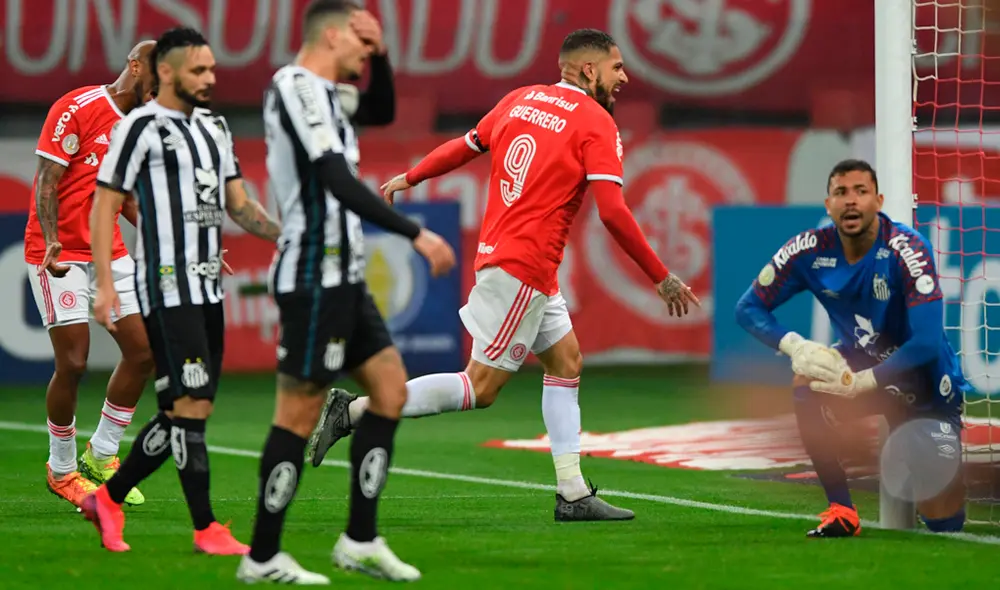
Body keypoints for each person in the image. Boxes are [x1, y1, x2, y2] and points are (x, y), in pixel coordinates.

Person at [307, 28, 699, 522]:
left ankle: (573, 493)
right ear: (589, 70)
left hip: (516, 260)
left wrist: (414, 175)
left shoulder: (520, 99)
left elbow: (464, 145)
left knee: (566, 361)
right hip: (524, 266)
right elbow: (614, 213)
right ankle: (356, 410)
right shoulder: (595, 122)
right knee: (480, 388)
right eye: (617, 68)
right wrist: (660, 276)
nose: (624, 77)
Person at [236, 1, 455, 584]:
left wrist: (381, 53)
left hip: (345, 278)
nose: (366, 52)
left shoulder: (332, 95)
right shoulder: (297, 87)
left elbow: (381, 106)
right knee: (298, 413)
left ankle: (360, 539)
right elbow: (335, 178)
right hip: (313, 275)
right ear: (332, 34)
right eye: (361, 41)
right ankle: (261, 557)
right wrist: (415, 232)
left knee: (388, 391)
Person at [81, 26, 283, 555]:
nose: (209, 78)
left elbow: (238, 205)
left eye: (212, 69)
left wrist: (287, 238)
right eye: (198, 70)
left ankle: (108, 497)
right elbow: (105, 205)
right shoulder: (140, 128)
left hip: (207, 286)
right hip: (165, 287)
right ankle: (206, 529)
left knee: (183, 409)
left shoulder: (215, 128)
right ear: (166, 73)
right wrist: (104, 282)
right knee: (189, 405)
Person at [734, 159, 968, 537]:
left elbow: (926, 342)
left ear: (879, 200)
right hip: (859, 367)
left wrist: (863, 383)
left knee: (944, 523)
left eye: (861, 192)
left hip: (923, 385)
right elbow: (747, 308)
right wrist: (794, 345)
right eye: (841, 193)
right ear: (829, 204)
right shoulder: (810, 248)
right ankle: (841, 509)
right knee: (807, 382)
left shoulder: (905, 248)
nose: (851, 201)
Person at [25, 41, 159, 509]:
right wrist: (51, 238)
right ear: (135, 66)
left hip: (110, 253)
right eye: (157, 80)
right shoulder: (78, 106)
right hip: (56, 252)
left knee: (144, 354)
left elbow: (127, 199)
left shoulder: (141, 128)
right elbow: (46, 179)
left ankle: (100, 455)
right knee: (75, 362)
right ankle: (60, 469)